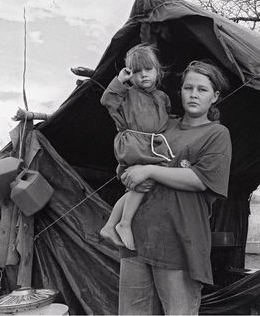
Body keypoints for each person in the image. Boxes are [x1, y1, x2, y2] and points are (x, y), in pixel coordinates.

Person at [118, 60, 232, 315]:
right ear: (179, 91)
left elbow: (202, 179)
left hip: (179, 244)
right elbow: (133, 151)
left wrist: (149, 171)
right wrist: (128, 172)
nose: (193, 94)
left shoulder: (217, 134)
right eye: (188, 87)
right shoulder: (162, 125)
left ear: (215, 96)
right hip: (137, 238)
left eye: (202, 90)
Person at [99, 44, 174, 250]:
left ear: (158, 70)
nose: (143, 76)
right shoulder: (126, 94)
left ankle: (111, 225)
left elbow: (165, 120)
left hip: (153, 144)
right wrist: (120, 81)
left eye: (148, 70)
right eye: (137, 72)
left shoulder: (162, 97)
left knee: (141, 185)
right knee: (144, 181)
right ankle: (123, 223)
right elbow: (107, 100)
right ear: (130, 76)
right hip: (134, 142)